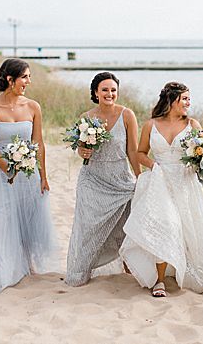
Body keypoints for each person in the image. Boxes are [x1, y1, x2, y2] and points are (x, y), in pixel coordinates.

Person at [120, 82, 203, 297]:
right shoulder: (151, 125)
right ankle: (159, 281)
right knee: (164, 225)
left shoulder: (193, 124)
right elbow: (140, 153)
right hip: (160, 182)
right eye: (185, 99)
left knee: (187, 228)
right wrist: (155, 166)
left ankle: (184, 269)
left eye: (189, 99)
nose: (188, 103)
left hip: (185, 183)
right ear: (172, 101)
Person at [0, 58, 59, 295]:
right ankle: (2, 267)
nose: (28, 82)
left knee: (25, 216)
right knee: (0, 219)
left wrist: (43, 175)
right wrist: (8, 168)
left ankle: (23, 264)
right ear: (10, 79)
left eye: (29, 77)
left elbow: (38, 143)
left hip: (28, 172)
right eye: (24, 77)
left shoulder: (33, 107)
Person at [65, 72, 140, 287]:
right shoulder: (86, 117)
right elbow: (81, 149)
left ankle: (129, 268)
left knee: (125, 226)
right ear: (96, 92)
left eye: (113, 90)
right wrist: (82, 151)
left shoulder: (127, 115)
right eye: (105, 90)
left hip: (120, 180)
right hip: (92, 179)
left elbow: (132, 151)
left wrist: (140, 177)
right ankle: (81, 270)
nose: (110, 94)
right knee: (88, 227)